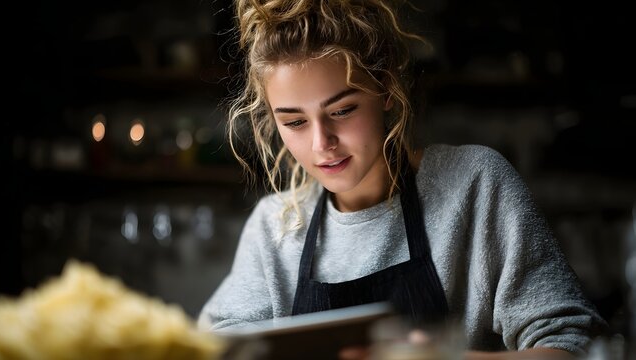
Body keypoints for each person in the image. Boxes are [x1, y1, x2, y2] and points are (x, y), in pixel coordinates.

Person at [198, 0, 607, 358]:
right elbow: (217, 350)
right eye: (295, 121)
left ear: (386, 88)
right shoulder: (275, 229)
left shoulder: (475, 185)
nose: (322, 143)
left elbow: (576, 345)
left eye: (342, 111)